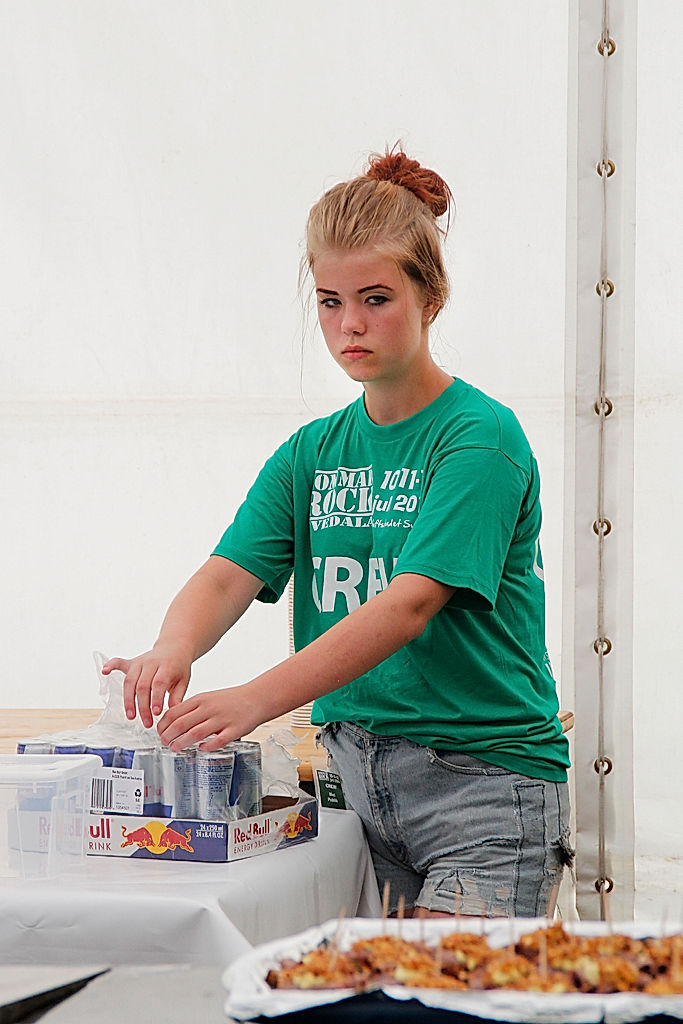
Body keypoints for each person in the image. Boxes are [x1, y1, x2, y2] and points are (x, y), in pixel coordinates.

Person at [103, 148, 572, 918]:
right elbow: (226, 574)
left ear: (430, 297)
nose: (349, 324)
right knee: (359, 984)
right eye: (329, 301)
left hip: (482, 789)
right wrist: (172, 647)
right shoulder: (311, 452)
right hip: (352, 786)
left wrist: (256, 697)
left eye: (375, 298)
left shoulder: (479, 439)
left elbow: (408, 605)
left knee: (442, 986)